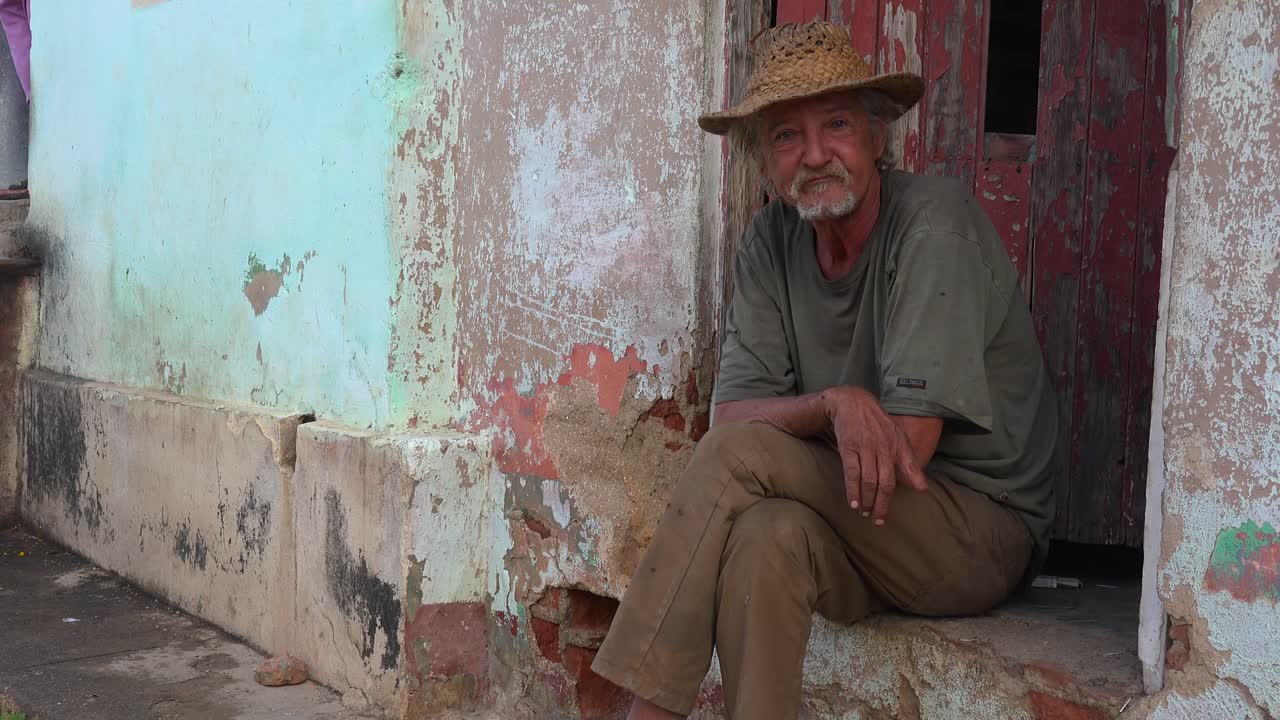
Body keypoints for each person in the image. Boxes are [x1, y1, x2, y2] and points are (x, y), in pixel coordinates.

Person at [590, 20, 1059, 720]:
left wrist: (801, 426)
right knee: (764, 538)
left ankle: (644, 715)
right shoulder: (770, 244)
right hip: (860, 524)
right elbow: (730, 420)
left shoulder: (934, 226)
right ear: (764, 160)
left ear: (877, 136)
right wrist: (833, 404)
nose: (814, 155)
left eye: (836, 125)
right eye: (785, 135)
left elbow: (904, 455)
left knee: (742, 461)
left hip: (975, 527)